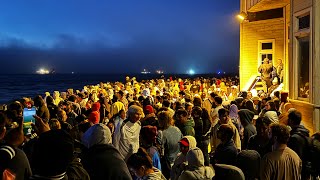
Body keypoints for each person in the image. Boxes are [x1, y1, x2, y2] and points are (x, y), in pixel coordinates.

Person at [287, 110, 310, 179]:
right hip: (305, 168)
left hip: (299, 171)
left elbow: (295, 157)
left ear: (291, 120)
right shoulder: (305, 132)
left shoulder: (294, 138)